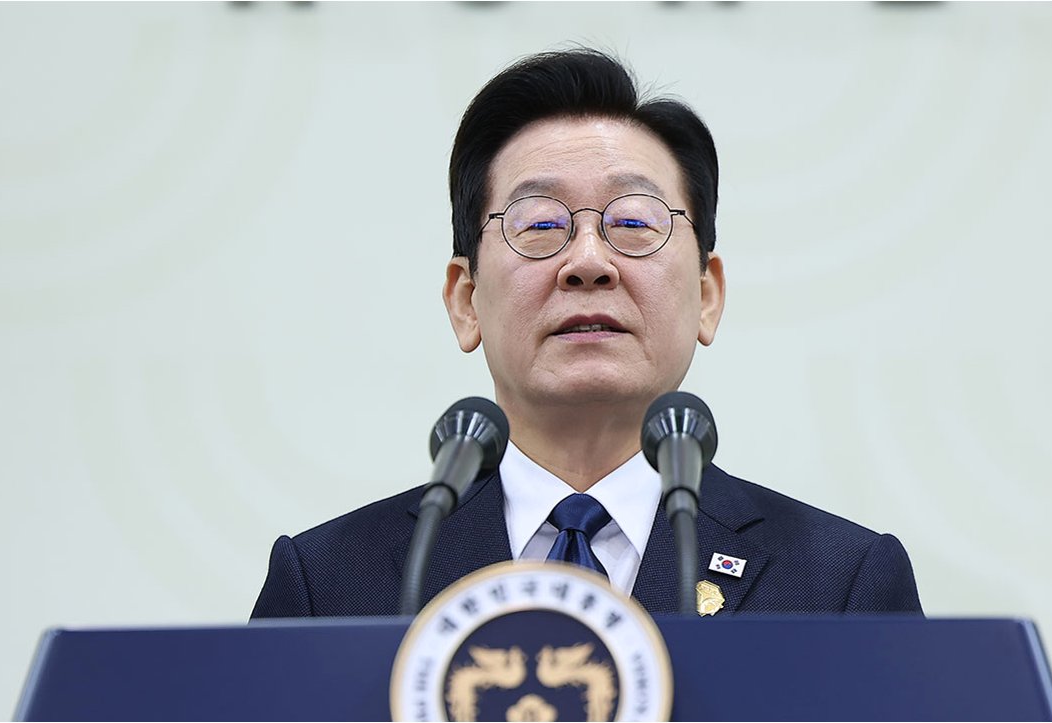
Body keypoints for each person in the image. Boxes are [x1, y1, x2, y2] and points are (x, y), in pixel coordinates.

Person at [251, 48, 921, 618]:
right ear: (465, 300)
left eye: (633, 222)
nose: (589, 262)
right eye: (541, 224)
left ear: (707, 294)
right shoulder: (327, 585)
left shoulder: (840, 584)